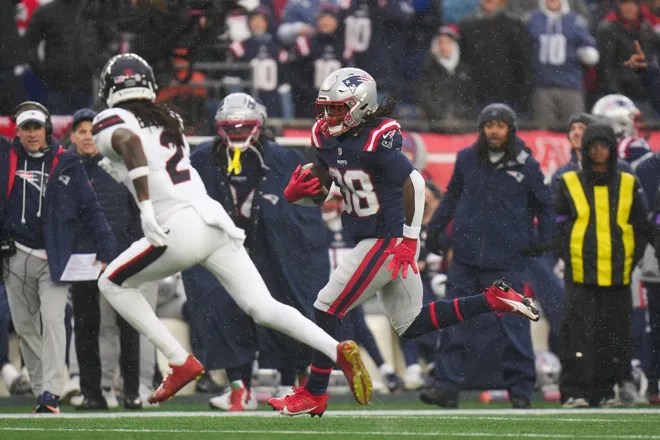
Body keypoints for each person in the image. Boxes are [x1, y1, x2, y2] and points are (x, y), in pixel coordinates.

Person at [92, 53, 371, 406]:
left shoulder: (110, 119)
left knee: (111, 282)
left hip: (175, 226)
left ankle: (178, 360)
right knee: (263, 306)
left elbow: (130, 145)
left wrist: (145, 207)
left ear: (108, 88)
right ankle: (335, 349)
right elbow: (150, 158)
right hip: (214, 221)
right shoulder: (170, 118)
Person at [268, 67, 541, 417]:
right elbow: (326, 181)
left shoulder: (375, 140)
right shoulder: (325, 136)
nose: (328, 116)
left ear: (360, 106)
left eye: (337, 108)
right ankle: (493, 299)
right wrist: (299, 195)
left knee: (326, 307)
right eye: (326, 108)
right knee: (411, 324)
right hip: (375, 236)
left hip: (386, 237)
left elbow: (414, 181)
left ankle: (315, 392)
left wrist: (410, 241)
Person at [183, 92, 330, 410]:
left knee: (288, 303)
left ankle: (298, 384)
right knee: (220, 308)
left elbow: (305, 213)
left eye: (243, 126)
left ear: (259, 125)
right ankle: (240, 388)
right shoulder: (202, 158)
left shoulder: (283, 158)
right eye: (230, 127)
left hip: (273, 246)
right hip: (224, 248)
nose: (236, 133)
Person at [423, 103, 555, 409]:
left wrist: (540, 240)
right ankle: (446, 387)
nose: (494, 130)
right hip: (466, 259)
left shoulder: (527, 165)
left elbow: (544, 207)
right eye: (489, 125)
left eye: (500, 125)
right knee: (453, 323)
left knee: (514, 327)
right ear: (482, 129)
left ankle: (520, 391)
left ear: (510, 130)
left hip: (507, 260)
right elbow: (451, 198)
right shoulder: (467, 158)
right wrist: (435, 232)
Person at [0, 101, 116, 413]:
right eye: (26, 127)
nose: (32, 133)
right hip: (15, 255)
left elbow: (92, 209)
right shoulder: (5, 156)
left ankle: (50, 392)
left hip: (54, 257)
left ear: (47, 128)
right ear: (18, 130)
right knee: (25, 328)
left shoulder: (67, 163)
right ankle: (41, 391)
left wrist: (108, 252)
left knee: (53, 322)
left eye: (37, 127)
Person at [555, 123, 652, 408]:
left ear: (611, 148)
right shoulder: (568, 181)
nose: (598, 150)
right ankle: (575, 392)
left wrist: (630, 259)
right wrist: (568, 255)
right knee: (577, 336)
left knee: (614, 338)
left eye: (604, 145)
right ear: (585, 149)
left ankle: (606, 391)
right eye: (593, 145)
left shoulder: (628, 183)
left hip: (618, 275)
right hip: (579, 273)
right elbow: (557, 226)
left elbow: (642, 227)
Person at [68, 108, 143, 410]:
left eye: (91, 131)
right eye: (81, 131)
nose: (87, 137)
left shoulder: (120, 166)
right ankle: (92, 393)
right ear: (72, 136)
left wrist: (135, 249)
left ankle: (132, 392)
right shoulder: (67, 168)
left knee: (129, 322)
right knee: (86, 325)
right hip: (83, 258)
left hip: (123, 255)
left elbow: (136, 210)